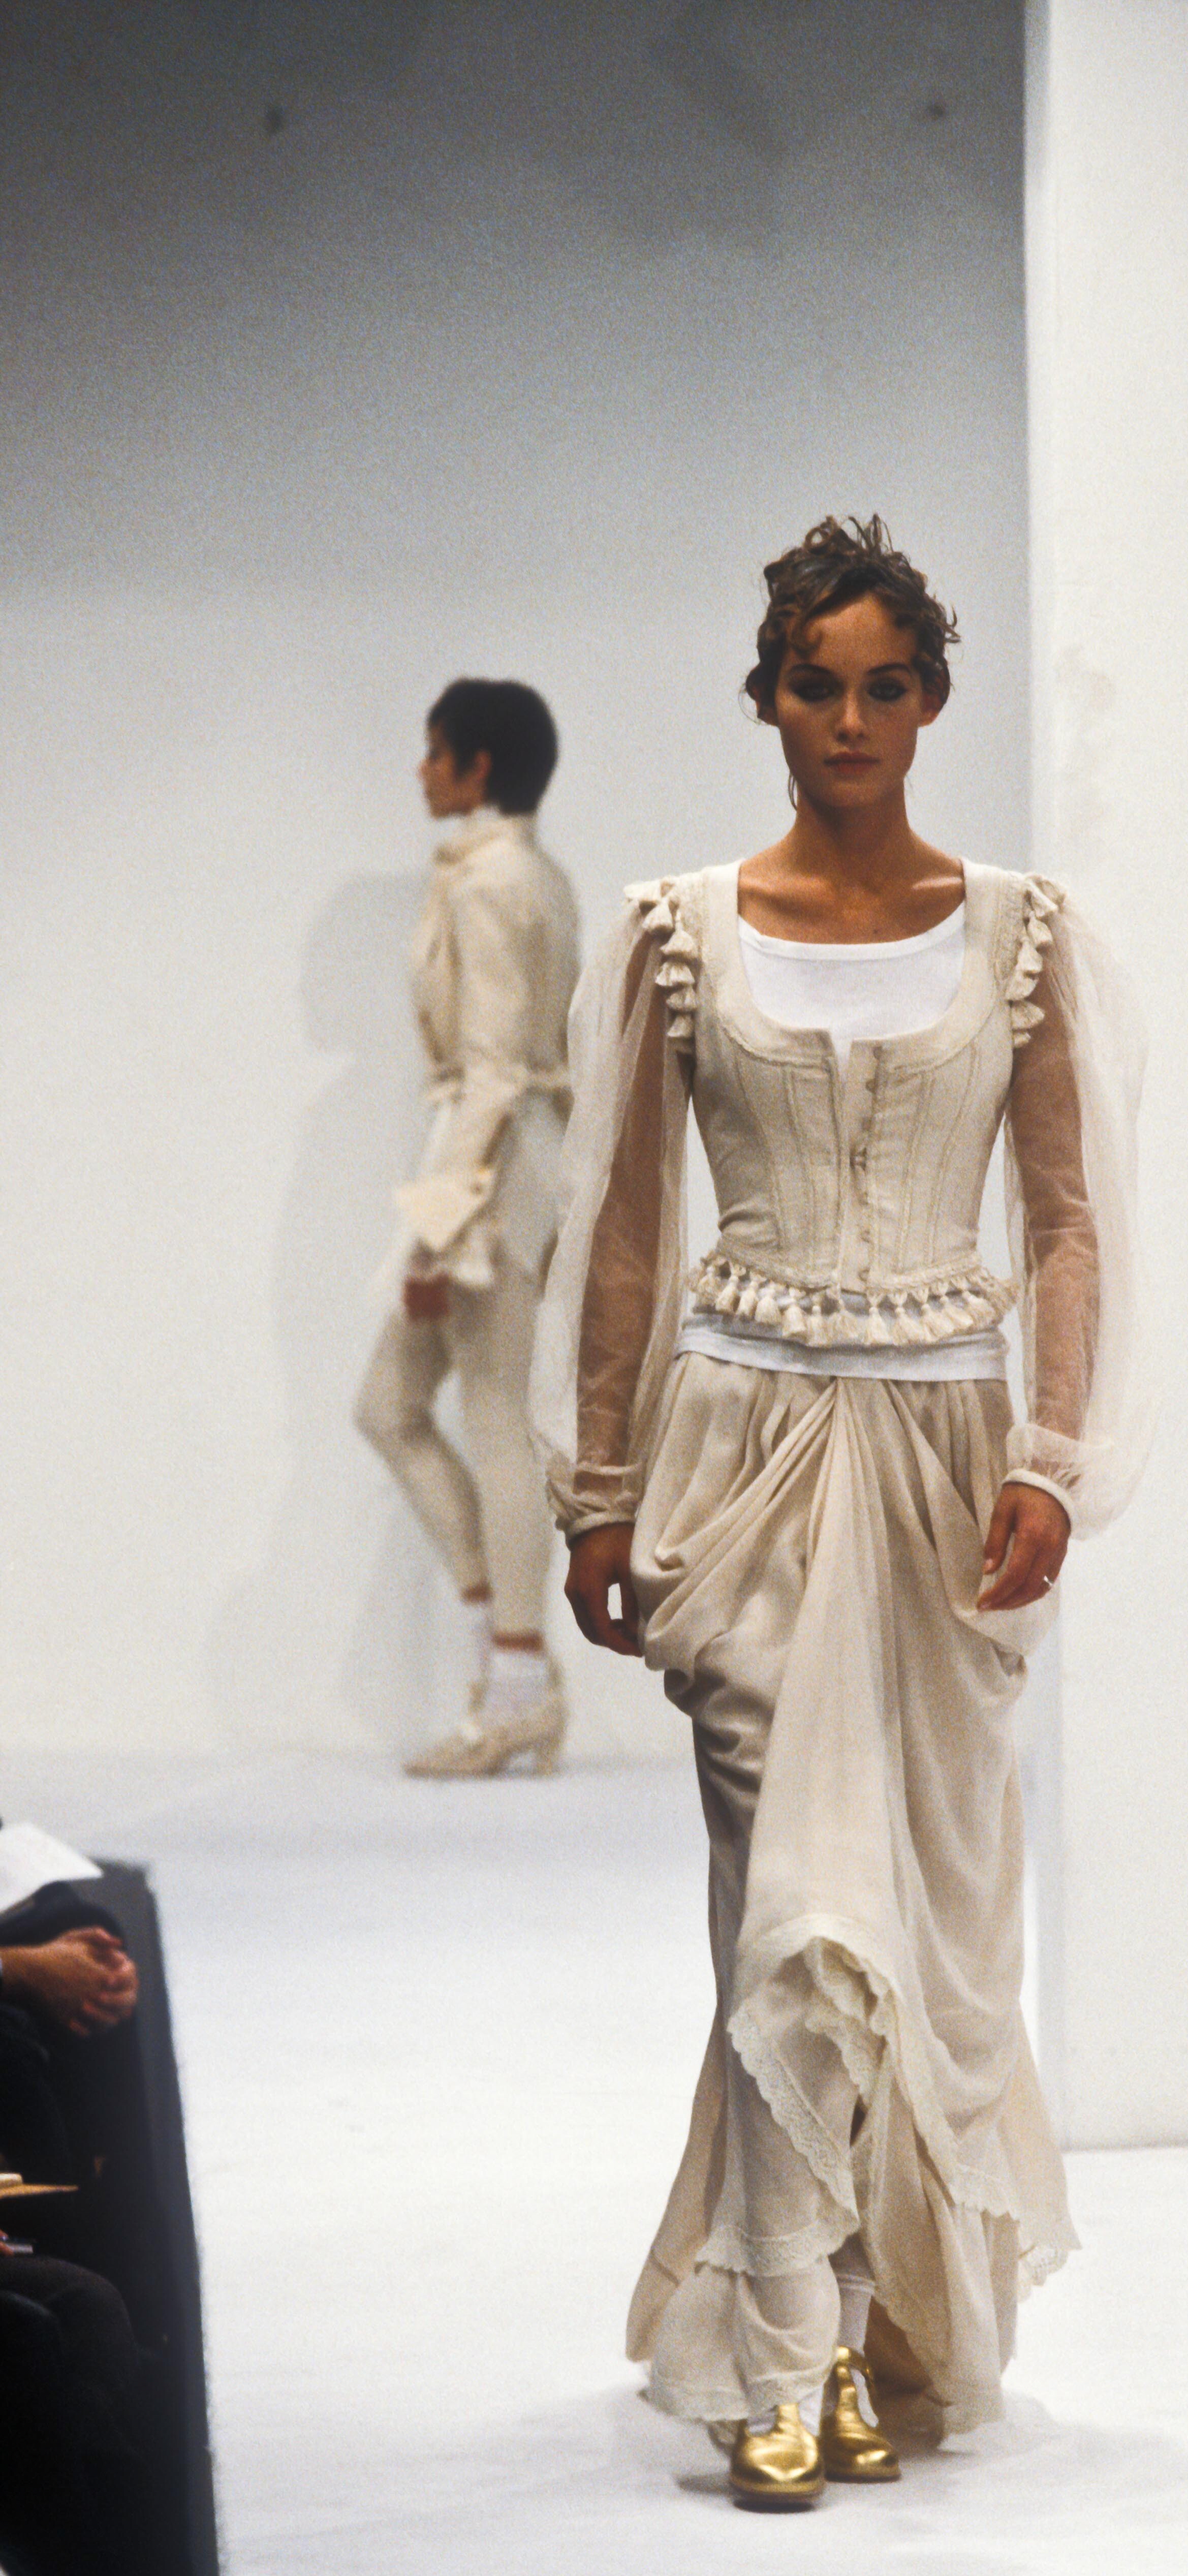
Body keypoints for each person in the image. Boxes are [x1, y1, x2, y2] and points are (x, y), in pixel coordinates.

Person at [533, 516, 1147, 2509]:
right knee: (784, 1904)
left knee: (926, 1923)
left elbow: (1068, 1220)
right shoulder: (678, 929)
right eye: (819, 684)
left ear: (935, 701)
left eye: (888, 685)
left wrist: (1053, 1456)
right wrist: (598, 1488)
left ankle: (874, 2324)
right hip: (741, 1456)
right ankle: (780, 2345)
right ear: (770, 699)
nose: (854, 719)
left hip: (950, 1471)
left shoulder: (1019, 932)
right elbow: (626, 1228)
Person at [357, 678, 581, 1777]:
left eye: (435, 750)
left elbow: (494, 1071)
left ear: (477, 765)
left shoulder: (495, 882)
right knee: (391, 1406)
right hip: (499, 1157)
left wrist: (441, 1230)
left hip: (492, 1171)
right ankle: (508, 1663)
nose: (422, 769)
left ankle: (518, 1686)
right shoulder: (524, 873)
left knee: (493, 1419)